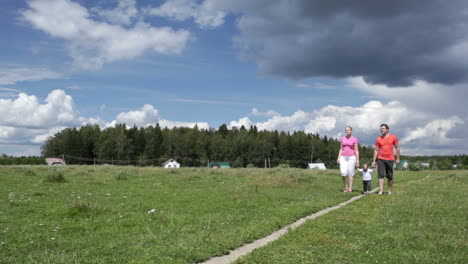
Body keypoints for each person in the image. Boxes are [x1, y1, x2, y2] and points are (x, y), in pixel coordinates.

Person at [372, 124, 400, 195]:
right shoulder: (378, 139)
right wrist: (374, 161)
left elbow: (397, 148)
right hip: (381, 158)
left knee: (390, 175)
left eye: (383, 129)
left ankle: (390, 190)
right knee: (380, 175)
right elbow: (376, 150)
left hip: (390, 159)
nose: (382, 130)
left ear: (387, 129)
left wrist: (398, 159)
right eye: (381, 129)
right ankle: (381, 190)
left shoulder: (393, 137)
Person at [337, 126, 359, 192]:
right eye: (346, 130)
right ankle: (345, 187)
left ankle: (350, 188)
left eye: (348, 130)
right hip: (343, 157)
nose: (347, 131)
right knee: (343, 172)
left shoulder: (354, 139)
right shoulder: (342, 139)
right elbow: (341, 149)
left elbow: (356, 150)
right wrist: (338, 157)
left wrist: (357, 160)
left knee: (350, 172)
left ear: (351, 131)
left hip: (351, 157)